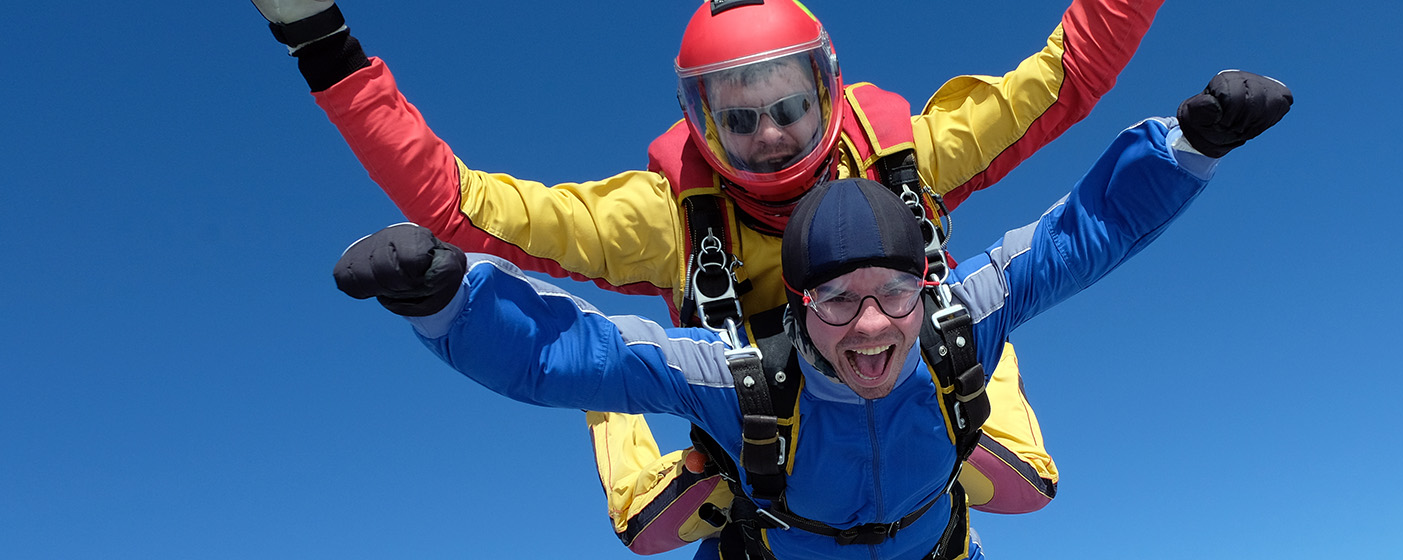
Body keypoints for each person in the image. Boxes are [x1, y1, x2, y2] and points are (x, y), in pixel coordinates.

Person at [250, 0, 1164, 552]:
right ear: (700, 122)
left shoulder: (906, 160)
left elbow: (1070, 72)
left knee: (1018, 461)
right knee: (648, 529)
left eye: (788, 106)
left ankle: (969, 370)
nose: (769, 134)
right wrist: (323, 48)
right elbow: (462, 206)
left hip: (916, 399)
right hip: (755, 449)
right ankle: (614, 416)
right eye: (739, 117)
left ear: (828, 92)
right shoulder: (667, 222)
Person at [333, 71, 1291, 560]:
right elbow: (565, 355)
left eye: (895, 295)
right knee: (639, 499)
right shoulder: (742, 373)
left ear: (927, 282)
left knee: (1026, 464)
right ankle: (635, 445)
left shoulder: (960, 317)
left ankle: (984, 414)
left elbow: (1083, 236)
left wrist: (1187, 148)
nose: (870, 327)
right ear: (795, 305)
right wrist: (449, 301)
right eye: (837, 301)